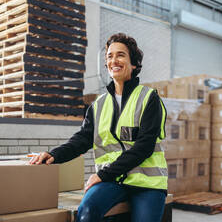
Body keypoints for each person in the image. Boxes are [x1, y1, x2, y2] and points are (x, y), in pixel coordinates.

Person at [30, 33, 168, 222]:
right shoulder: (98, 105)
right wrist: (55, 155)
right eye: (109, 56)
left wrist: (101, 175)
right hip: (112, 182)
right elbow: (82, 139)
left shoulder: (149, 98)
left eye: (121, 55)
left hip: (147, 185)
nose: (114, 60)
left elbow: (143, 147)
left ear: (134, 64)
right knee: (86, 212)